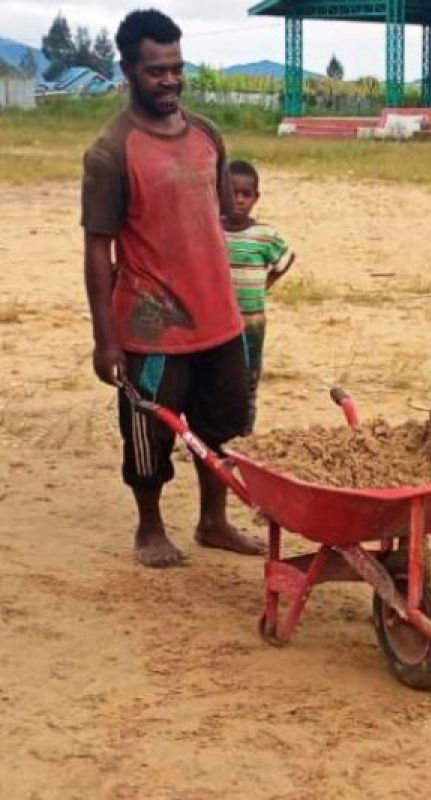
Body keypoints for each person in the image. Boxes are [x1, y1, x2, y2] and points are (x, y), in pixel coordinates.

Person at [81, 8, 263, 568]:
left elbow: (219, 217)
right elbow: (97, 249)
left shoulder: (207, 133)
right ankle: (150, 528)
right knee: (148, 433)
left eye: (177, 68)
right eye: (156, 70)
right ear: (128, 70)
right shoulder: (110, 151)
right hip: (151, 327)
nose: (170, 80)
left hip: (220, 318)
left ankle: (214, 521)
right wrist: (105, 340)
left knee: (224, 424)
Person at [223, 159, 295, 433]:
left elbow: (286, 258)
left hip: (251, 322)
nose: (239, 200)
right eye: (232, 193)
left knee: (248, 379)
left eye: (246, 194)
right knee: (217, 377)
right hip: (217, 322)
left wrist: (263, 285)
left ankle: (244, 433)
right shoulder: (212, 230)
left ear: (256, 197)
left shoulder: (265, 235)